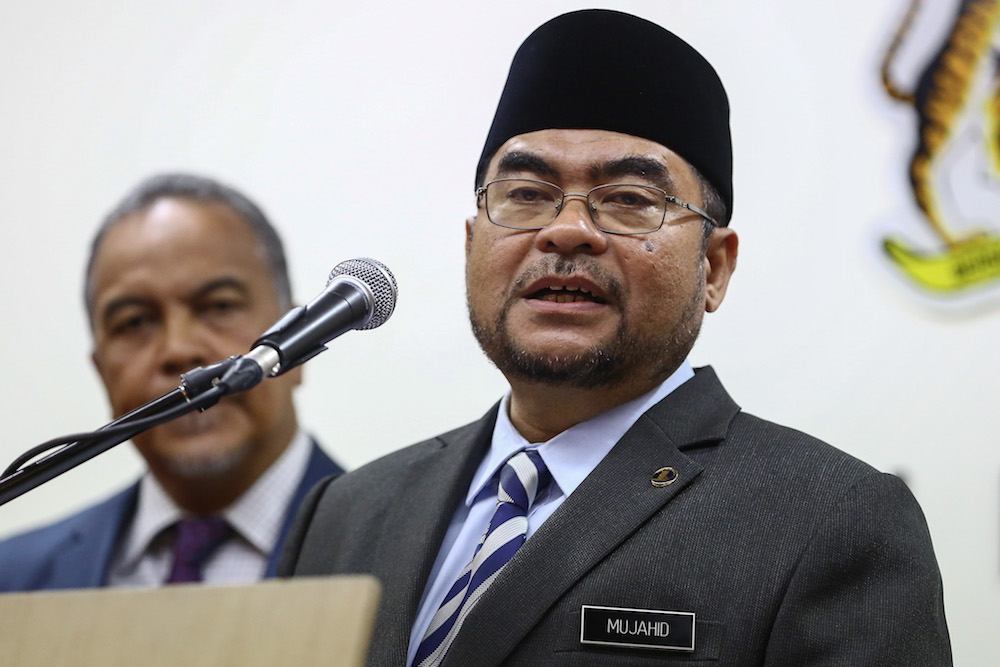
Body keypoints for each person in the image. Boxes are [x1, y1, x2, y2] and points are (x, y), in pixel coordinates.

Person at [279, 10, 951, 666]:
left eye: (630, 199)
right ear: (470, 245)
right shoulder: (348, 509)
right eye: (526, 193)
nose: (566, 230)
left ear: (714, 268)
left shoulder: (829, 519)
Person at [0, 173, 343, 590]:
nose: (178, 350)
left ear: (299, 345)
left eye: (219, 306)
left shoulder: (404, 552)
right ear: (102, 371)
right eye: (135, 322)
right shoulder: (13, 580)